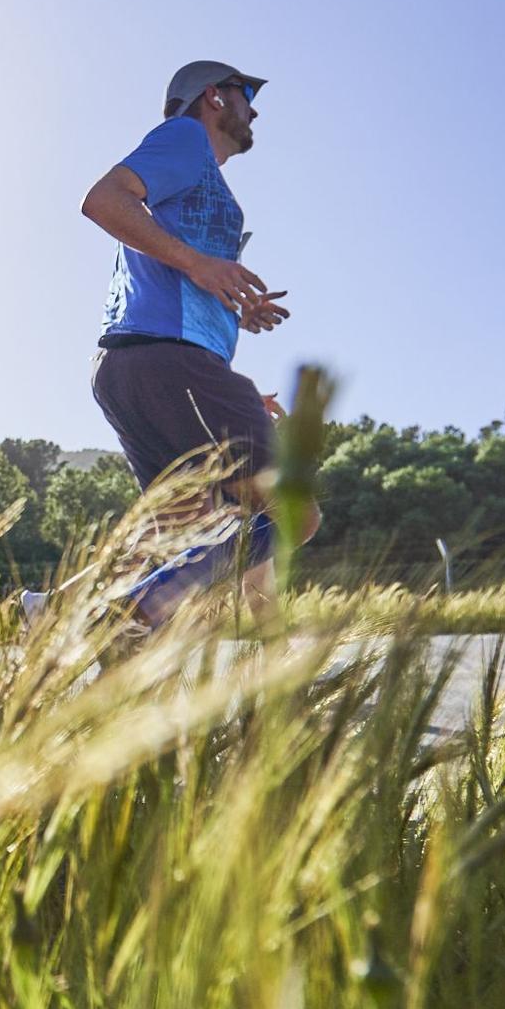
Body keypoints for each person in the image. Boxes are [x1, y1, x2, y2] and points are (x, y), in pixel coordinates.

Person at [78, 60, 315, 623]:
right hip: (170, 360)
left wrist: (235, 305)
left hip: (142, 366)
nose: (253, 108)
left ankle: (71, 617)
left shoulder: (200, 179)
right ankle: (123, 610)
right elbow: (103, 199)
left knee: (182, 536)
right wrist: (201, 267)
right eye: (245, 93)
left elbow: (181, 273)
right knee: (292, 514)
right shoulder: (184, 139)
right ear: (213, 96)